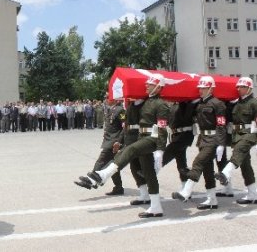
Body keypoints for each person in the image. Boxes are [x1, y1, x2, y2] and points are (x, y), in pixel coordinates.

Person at [82, 73, 169, 218]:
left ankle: (104, 174)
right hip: (142, 136)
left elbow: (162, 128)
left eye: (150, 84)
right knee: (148, 171)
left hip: (153, 138)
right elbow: (132, 117)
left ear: (159, 87)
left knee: (131, 149)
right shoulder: (144, 102)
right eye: (147, 84)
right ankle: (155, 206)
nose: (147, 86)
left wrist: (160, 149)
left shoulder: (161, 105)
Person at [172, 75, 226, 210]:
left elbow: (221, 125)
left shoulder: (218, 104)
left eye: (204, 88)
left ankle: (186, 191)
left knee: (198, 162)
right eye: (200, 88)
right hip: (202, 139)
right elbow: (187, 117)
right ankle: (212, 199)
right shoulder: (199, 104)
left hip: (213, 139)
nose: (201, 90)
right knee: (207, 169)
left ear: (211, 88)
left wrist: (220, 144)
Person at [215, 77, 257, 204]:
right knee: (245, 165)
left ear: (249, 88)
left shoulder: (254, 102)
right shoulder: (235, 103)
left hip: (250, 133)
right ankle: (253, 194)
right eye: (238, 87)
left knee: (239, 150)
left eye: (242, 87)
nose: (239, 89)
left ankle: (225, 173)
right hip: (236, 134)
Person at [74, 97, 125, 195]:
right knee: (112, 165)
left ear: (115, 99)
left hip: (114, 142)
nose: (106, 99)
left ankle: (90, 180)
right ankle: (118, 187)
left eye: (108, 97)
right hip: (109, 140)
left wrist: (119, 141)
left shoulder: (120, 110)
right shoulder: (110, 108)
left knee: (101, 160)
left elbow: (124, 127)